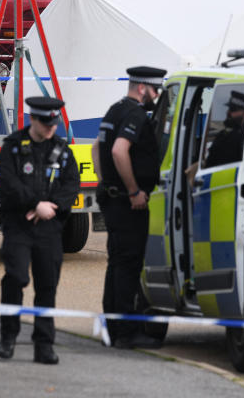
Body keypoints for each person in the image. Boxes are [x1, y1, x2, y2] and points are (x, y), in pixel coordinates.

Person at [0, 96, 81, 365]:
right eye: (46, 123)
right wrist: (35, 204)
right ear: (32, 118)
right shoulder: (12, 147)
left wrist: (52, 207)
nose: (51, 128)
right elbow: (8, 182)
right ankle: (8, 337)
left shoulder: (62, 151)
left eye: (54, 123)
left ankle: (44, 345)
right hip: (18, 225)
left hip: (49, 227)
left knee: (47, 286)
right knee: (16, 278)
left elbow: (71, 184)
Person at [91, 65, 167, 349]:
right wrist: (133, 190)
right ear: (142, 88)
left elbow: (96, 148)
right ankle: (126, 333)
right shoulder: (135, 114)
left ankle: (113, 327)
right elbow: (117, 150)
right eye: (155, 90)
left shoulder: (114, 109)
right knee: (128, 267)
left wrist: (106, 180)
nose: (156, 95)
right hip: (127, 203)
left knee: (116, 263)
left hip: (112, 199)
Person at [203, 90, 244, 167]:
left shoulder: (243, 138)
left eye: (233, 109)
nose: (228, 112)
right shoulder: (223, 134)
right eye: (229, 109)